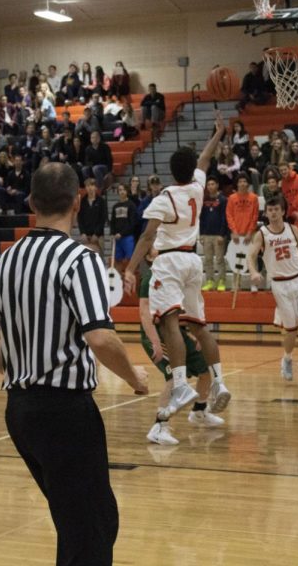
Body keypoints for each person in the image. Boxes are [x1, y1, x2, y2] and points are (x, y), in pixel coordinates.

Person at [0, 162, 149, 566]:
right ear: (78, 202)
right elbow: (100, 337)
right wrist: (134, 375)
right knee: (91, 530)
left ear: (30, 203)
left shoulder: (2, 263)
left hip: (20, 411)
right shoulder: (78, 259)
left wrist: (18, 369)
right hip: (66, 411)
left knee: (81, 521)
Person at [124, 112, 231, 418]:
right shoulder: (197, 187)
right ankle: (220, 383)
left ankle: (182, 384)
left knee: (171, 322)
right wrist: (218, 132)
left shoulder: (165, 197)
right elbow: (206, 158)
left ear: (171, 172)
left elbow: (147, 236)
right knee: (199, 324)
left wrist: (130, 268)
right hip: (193, 259)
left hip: (169, 260)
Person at [139, 248, 226, 446]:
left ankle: (199, 411)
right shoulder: (150, 277)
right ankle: (159, 427)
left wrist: (195, 333)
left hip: (179, 333)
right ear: (150, 257)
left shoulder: (176, 270)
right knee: (173, 381)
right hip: (159, 335)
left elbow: (185, 308)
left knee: (205, 370)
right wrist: (154, 342)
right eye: (154, 247)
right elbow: (145, 313)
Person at [248, 196, 298, 382]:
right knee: (291, 329)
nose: (273, 212)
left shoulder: (293, 229)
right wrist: (253, 272)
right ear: (266, 213)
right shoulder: (262, 234)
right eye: (270, 210)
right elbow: (250, 256)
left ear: (283, 211)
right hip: (280, 285)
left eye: (276, 209)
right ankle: (287, 359)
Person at [226, 173, 260, 291]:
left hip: (250, 233)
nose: (242, 184)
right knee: (236, 259)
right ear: (237, 183)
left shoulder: (254, 198)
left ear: (248, 183)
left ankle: (254, 283)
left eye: (245, 181)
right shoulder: (232, 198)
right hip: (237, 234)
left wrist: (250, 232)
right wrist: (234, 231)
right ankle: (236, 284)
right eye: (240, 181)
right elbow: (229, 215)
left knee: (252, 257)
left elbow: (255, 216)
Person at [110, 184, 137, 272]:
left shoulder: (131, 205)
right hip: (117, 238)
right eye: (120, 190)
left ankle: (129, 279)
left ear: (127, 191)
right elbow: (112, 222)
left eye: (123, 190)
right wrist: (112, 233)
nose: (121, 192)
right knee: (117, 260)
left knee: (129, 259)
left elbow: (132, 223)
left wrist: (122, 234)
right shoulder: (115, 206)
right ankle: (119, 280)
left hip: (127, 237)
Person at [78, 178, 108, 253]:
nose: (90, 188)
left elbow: (103, 218)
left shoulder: (101, 201)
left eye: (92, 185)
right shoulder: (82, 201)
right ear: (85, 188)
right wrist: (83, 233)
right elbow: (80, 219)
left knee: (99, 259)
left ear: (95, 187)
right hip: (85, 236)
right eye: (87, 186)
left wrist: (96, 234)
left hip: (98, 236)